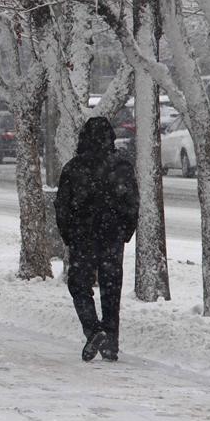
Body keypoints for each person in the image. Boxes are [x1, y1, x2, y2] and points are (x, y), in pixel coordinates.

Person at [55, 117, 139, 362]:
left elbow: (62, 206)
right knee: (111, 289)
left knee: (80, 286)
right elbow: (132, 203)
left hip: (83, 238)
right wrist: (125, 231)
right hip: (112, 237)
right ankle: (111, 342)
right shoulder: (122, 167)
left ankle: (93, 330)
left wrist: (69, 235)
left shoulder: (74, 168)